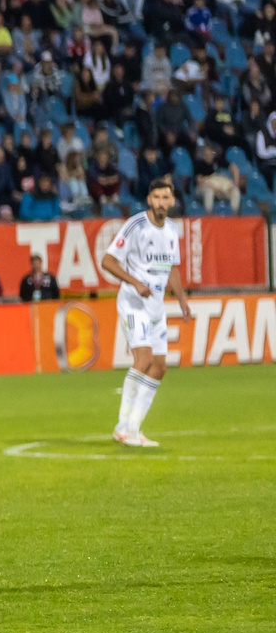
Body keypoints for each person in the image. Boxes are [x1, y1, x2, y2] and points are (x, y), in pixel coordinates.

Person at [100, 178, 190, 448]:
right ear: (149, 200)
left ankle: (135, 428)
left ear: (172, 201)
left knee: (160, 367)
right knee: (144, 359)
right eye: (157, 197)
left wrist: (182, 300)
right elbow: (107, 261)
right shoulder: (136, 225)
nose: (161, 202)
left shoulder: (172, 230)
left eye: (166, 198)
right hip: (133, 302)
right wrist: (134, 282)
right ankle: (122, 427)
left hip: (156, 306)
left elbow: (172, 268)